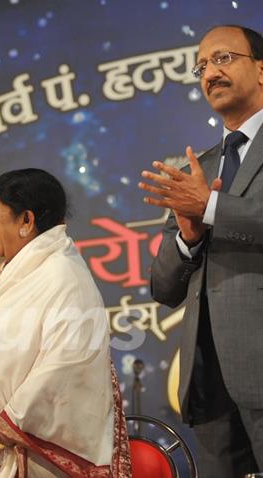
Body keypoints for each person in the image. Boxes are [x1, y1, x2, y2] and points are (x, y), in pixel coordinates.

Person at [139, 24, 263, 476]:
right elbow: (163, 286)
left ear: (262, 69)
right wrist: (187, 235)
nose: (210, 72)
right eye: (202, 66)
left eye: (224, 59)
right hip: (208, 381)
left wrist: (211, 206)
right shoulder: (201, 166)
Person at [0, 169, 131, 477]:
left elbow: (62, 368)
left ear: (26, 221)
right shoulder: (21, 273)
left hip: (35, 460)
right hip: (7, 456)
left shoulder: (63, 276)